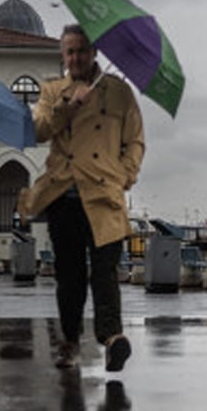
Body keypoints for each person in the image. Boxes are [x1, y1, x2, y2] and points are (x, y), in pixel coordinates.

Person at [19, 24, 145, 371]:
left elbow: (135, 140)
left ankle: (112, 338)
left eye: (82, 50)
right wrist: (68, 106)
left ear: (94, 54)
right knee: (69, 276)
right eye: (70, 51)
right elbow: (40, 130)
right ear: (63, 55)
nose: (75, 57)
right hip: (65, 194)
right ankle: (70, 341)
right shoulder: (52, 90)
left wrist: (125, 175)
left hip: (104, 193)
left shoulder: (119, 92)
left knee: (105, 272)